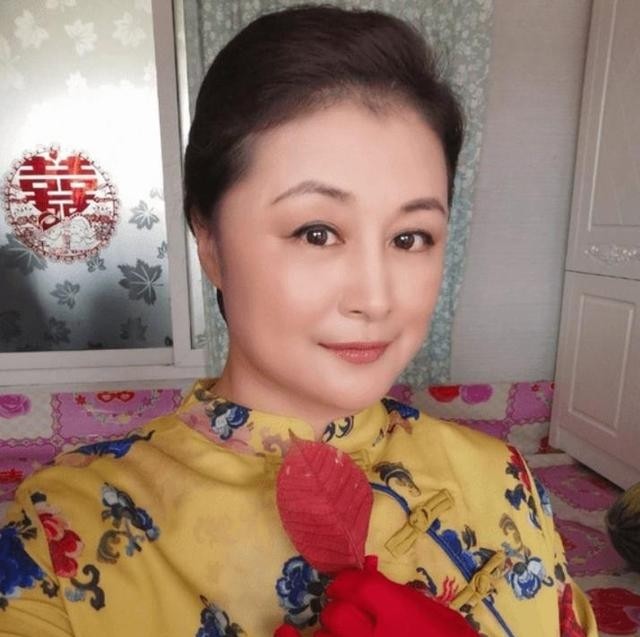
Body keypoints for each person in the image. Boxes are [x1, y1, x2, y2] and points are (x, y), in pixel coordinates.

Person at [0, 5, 596, 636]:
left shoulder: (503, 476)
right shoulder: (63, 531)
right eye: (317, 232)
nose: (376, 298)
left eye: (411, 237)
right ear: (209, 240)